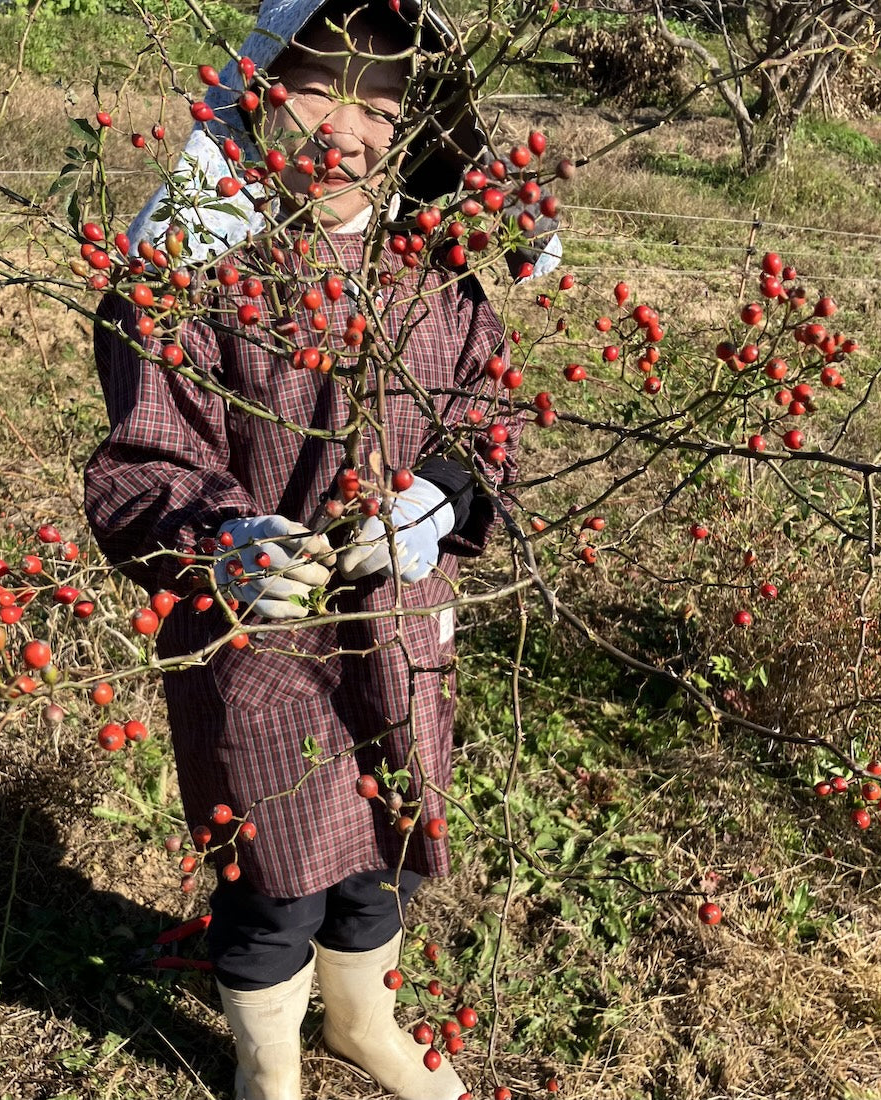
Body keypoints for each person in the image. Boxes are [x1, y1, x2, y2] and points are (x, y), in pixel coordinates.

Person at [84, 2, 546, 1097]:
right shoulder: (187, 277)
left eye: (380, 102)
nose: (344, 127)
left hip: (396, 624)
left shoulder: (431, 270)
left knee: (381, 843)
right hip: (258, 637)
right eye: (316, 88)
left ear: (416, 124)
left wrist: (442, 491)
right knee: (273, 869)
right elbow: (142, 457)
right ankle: (267, 1057)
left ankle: (361, 1019)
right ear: (252, 94)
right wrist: (224, 540)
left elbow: (490, 411)